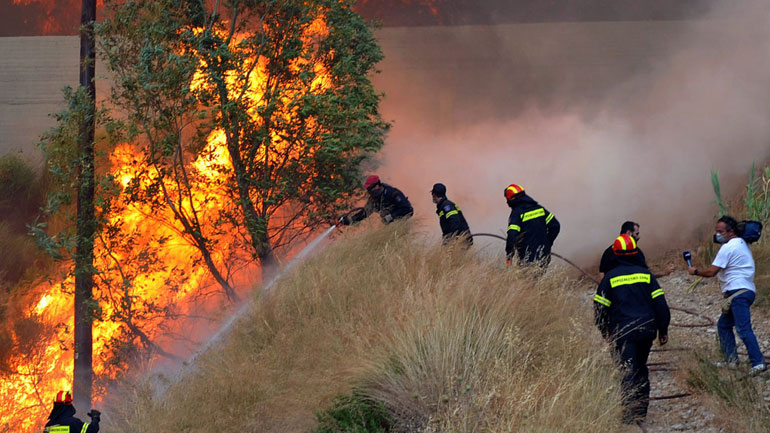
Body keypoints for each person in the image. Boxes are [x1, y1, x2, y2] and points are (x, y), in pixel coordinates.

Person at [594, 234, 670, 424]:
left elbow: (599, 309)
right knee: (641, 368)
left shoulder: (610, 278)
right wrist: (663, 330)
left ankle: (629, 416)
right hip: (646, 331)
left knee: (627, 369)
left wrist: (605, 332)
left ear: (616, 254)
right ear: (636, 253)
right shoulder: (646, 275)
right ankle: (641, 411)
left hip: (622, 332)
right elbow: (661, 304)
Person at [687, 215, 767, 375]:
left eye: (720, 231)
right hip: (743, 291)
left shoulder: (729, 247)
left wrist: (695, 271)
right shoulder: (741, 244)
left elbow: (711, 271)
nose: (717, 235)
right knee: (724, 325)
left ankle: (758, 362)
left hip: (738, 292)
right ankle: (731, 360)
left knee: (743, 329)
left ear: (730, 232)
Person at [504, 184, 560, 265]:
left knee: (526, 277)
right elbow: (555, 226)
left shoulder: (517, 213)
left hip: (527, 257)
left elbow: (512, 235)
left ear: (512, 199)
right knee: (540, 277)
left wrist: (509, 256)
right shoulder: (539, 209)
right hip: (544, 255)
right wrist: (547, 244)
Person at [598, 221, 674, 278]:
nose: (638, 237)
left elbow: (602, 274)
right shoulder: (636, 252)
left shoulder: (608, 252)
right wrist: (663, 272)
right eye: (636, 234)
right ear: (628, 233)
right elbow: (647, 275)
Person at [339, 175, 413, 225]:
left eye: (370, 188)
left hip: (403, 223)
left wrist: (392, 216)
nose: (369, 191)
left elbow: (408, 209)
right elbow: (365, 213)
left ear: (377, 186)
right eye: (368, 189)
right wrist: (350, 221)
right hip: (390, 225)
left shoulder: (392, 193)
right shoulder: (373, 199)